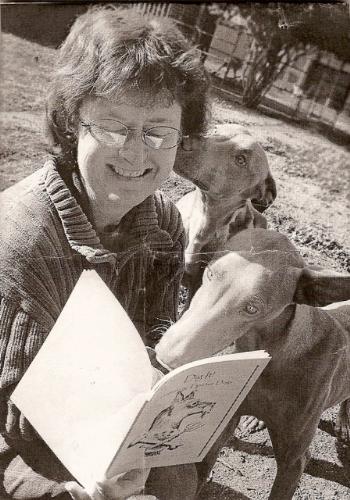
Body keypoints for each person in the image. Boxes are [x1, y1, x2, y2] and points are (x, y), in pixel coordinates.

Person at [0, 5, 210, 499]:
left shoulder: (164, 222)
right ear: (73, 123)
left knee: (179, 480)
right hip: (21, 438)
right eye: (113, 127)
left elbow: (153, 334)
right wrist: (85, 485)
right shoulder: (22, 242)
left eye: (159, 131)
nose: (137, 154)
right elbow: (10, 416)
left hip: (109, 422)